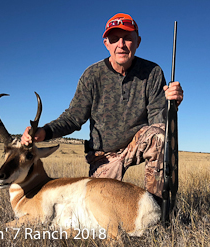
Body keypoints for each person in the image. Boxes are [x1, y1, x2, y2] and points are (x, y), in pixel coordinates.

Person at [21, 13, 183, 205]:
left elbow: (158, 122)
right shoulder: (92, 75)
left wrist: (172, 106)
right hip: (104, 156)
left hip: (136, 144)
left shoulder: (153, 72)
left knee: (160, 136)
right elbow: (73, 117)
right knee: (98, 207)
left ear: (138, 41)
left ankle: (158, 207)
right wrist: (44, 132)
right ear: (106, 43)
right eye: (114, 39)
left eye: (127, 38)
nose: (121, 44)